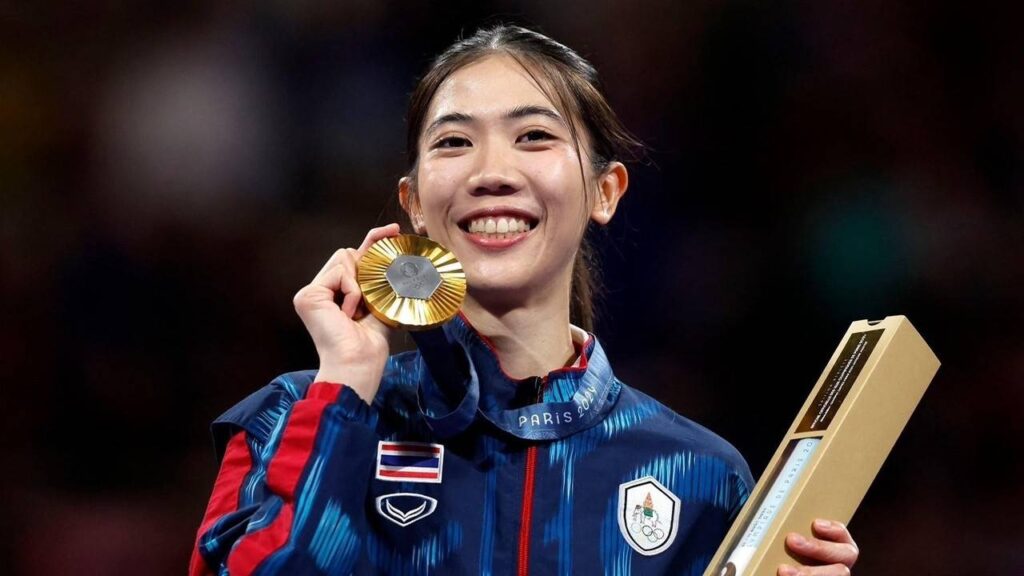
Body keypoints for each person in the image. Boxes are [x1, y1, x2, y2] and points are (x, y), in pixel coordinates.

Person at [190, 25, 859, 576]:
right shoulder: (290, 421)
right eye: (454, 142)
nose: (492, 173)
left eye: (534, 136)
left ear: (605, 191)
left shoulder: (698, 475)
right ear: (414, 204)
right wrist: (344, 390)